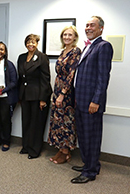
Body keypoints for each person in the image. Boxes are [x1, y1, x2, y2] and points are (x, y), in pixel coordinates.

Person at [71, 16, 113, 184]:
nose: (88, 28)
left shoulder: (103, 46)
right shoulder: (87, 47)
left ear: (101, 28)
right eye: (87, 25)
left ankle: (90, 172)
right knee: (83, 136)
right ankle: (89, 164)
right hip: (80, 100)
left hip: (91, 103)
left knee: (91, 137)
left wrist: (96, 100)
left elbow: (103, 78)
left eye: (92, 25)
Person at [48, 26, 81, 164]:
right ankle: (61, 150)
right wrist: (55, 93)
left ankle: (66, 152)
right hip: (58, 89)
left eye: (70, 35)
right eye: (65, 35)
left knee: (66, 122)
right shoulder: (63, 51)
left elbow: (71, 75)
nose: (67, 37)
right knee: (58, 120)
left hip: (66, 92)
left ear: (75, 37)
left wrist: (62, 94)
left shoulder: (75, 51)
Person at [17, 34, 52, 159]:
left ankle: (34, 150)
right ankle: (26, 146)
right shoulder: (21, 57)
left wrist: (43, 99)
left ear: (37, 43)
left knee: (36, 124)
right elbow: (20, 78)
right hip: (25, 95)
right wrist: (19, 96)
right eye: (28, 42)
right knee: (26, 122)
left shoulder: (42, 57)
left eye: (33, 42)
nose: (30, 44)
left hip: (38, 96)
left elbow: (45, 79)